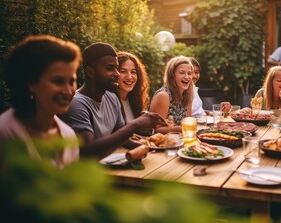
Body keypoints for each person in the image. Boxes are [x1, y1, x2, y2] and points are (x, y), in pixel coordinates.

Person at [61, 42, 166, 159]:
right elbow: (88, 151)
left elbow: (121, 137)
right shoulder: (77, 104)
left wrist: (150, 148)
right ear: (90, 72)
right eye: (110, 68)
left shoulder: (112, 97)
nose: (117, 74)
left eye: (116, 68)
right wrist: (136, 123)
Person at [0, 35, 81, 168]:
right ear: (32, 83)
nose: (68, 91)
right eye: (58, 81)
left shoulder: (68, 136)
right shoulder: (5, 134)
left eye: (71, 81)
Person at [150, 56, 193, 132]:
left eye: (189, 73)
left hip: (179, 141)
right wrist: (180, 128)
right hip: (161, 142)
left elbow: (188, 123)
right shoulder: (163, 95)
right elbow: (155, 130)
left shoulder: (187, 95)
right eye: (182, 73)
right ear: (172, 75)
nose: (187, 77)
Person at [116, 51, 150, 123]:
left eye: (133, 72)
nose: (129, 77)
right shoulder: (109, 101)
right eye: (123, 71)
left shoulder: (134, 100)